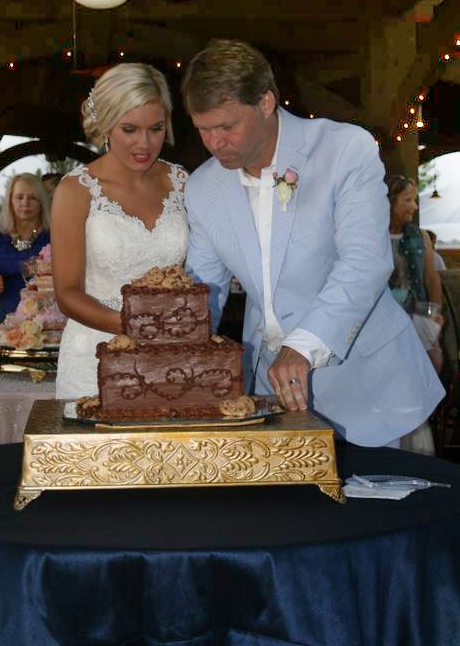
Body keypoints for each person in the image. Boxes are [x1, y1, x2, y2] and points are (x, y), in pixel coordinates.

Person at [182, 38, 444, 448]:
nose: (215, 143)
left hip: (371, 390)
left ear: (266, 103)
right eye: (203, 130)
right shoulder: (201, 188)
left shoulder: (344, 149)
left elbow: (365, 262)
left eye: (227, 127)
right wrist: (180, 359)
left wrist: (302, 346)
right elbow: (204, 291)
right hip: (268, 396)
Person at [52, 63, 188, 399]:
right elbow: (67, 294)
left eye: (155, 129)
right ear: (106, 124)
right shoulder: (75, 190)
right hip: (93, 357)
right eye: (130, 129)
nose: (144, 143)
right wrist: (133, 326)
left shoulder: (183, 183)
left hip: (168, 360)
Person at [387, 176, 443, 374]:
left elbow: (431, 278)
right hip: (384, 321)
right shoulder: (373, 236)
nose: (415, 206)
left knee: (431, 364)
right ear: (390, 201)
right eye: (408, 200)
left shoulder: (421, 237)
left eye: (415, 200)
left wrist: (435, 314)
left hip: (417, 316)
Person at [0, 173, 50, 326]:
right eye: (19, 197)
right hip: (1, 327)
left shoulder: (55, 237)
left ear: (42, 202)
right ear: (10, 201)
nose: (25, 203)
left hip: (45, 328)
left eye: (32, 198)